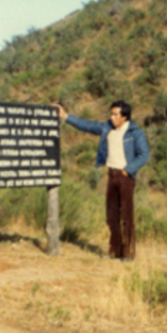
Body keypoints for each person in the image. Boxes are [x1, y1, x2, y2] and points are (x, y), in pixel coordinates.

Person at [54, 100, 150, 260]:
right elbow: (87, 125)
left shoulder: (135, 133)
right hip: (111, 175)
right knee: (111, 216)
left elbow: (144, 154)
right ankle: (115, 252)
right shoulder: (107, 127)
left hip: (125, 177)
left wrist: (128, 170)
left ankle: (128, 254)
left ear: (124, 117)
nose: (112, 117)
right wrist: (65, 116)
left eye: (115, 114)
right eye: (111, 113)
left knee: (126, 216)